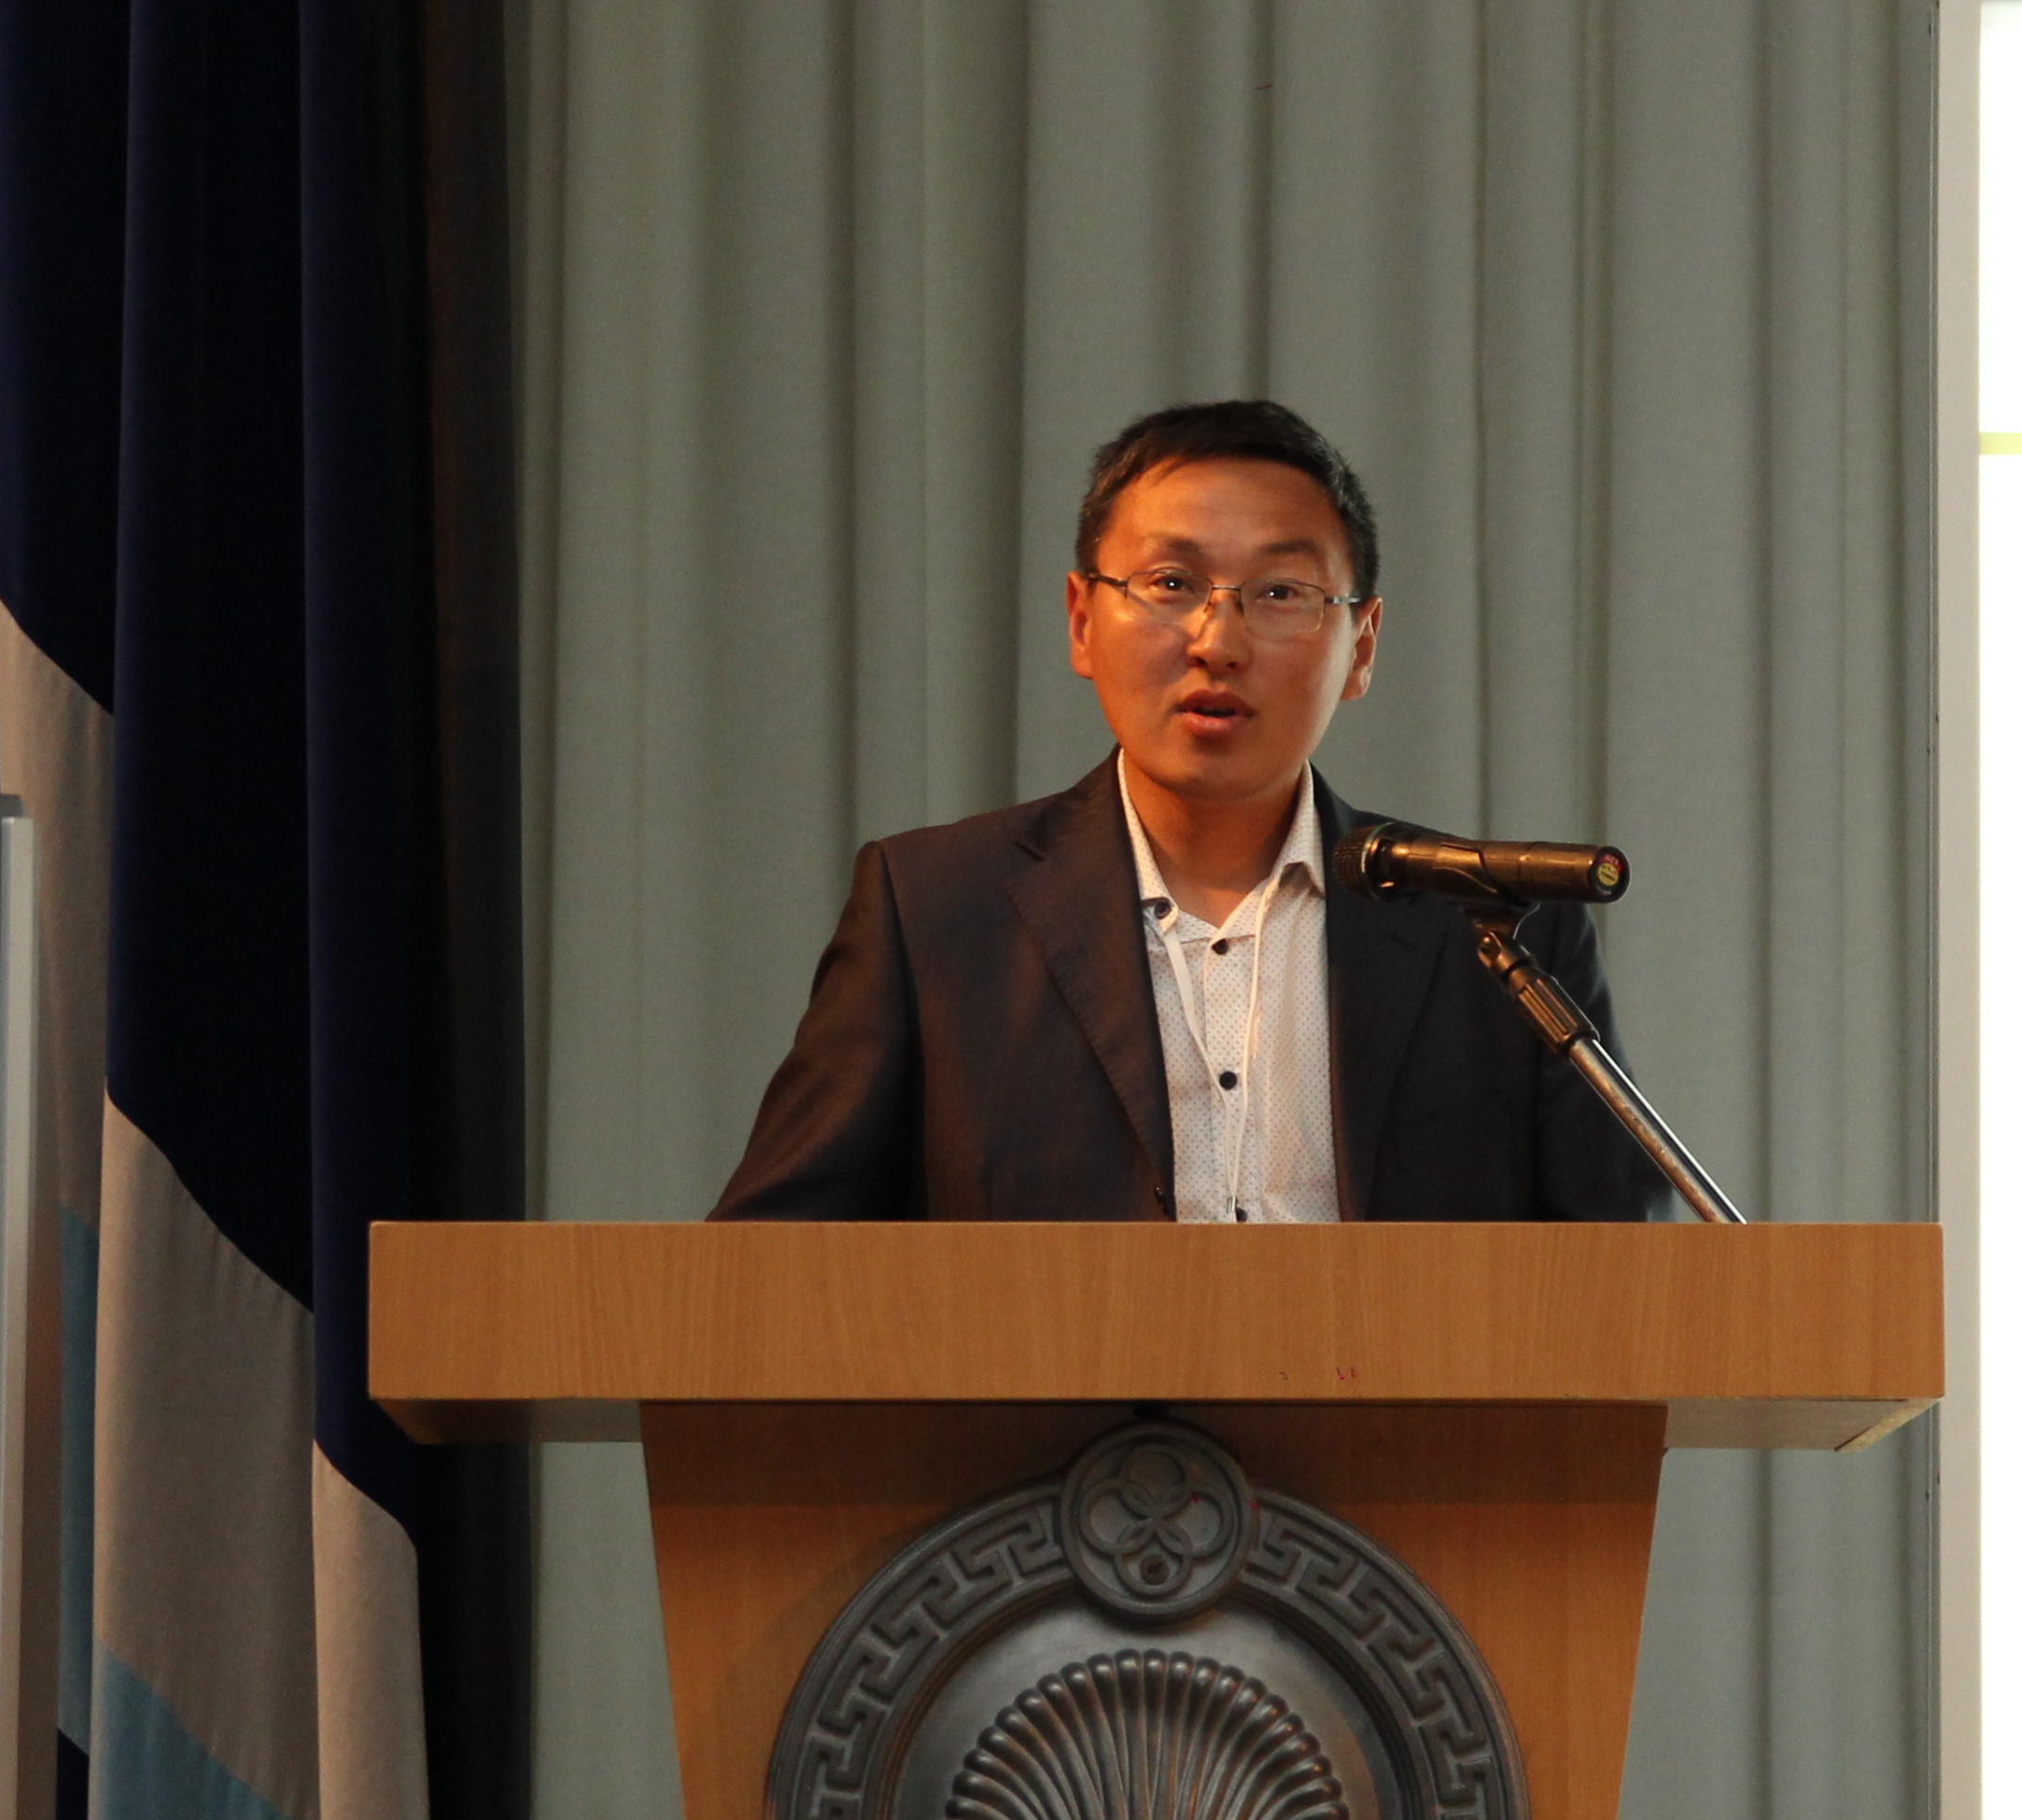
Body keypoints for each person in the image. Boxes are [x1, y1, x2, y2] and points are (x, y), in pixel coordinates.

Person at [711, 399, 1673, 1223]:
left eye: (1281, 592)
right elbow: (772, 1268)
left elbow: (1626, 1286)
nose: (1218, 641)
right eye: (1171, 585)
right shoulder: (933, 911)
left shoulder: (1497, 929)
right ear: (1082, 620)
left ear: (1362, 645)